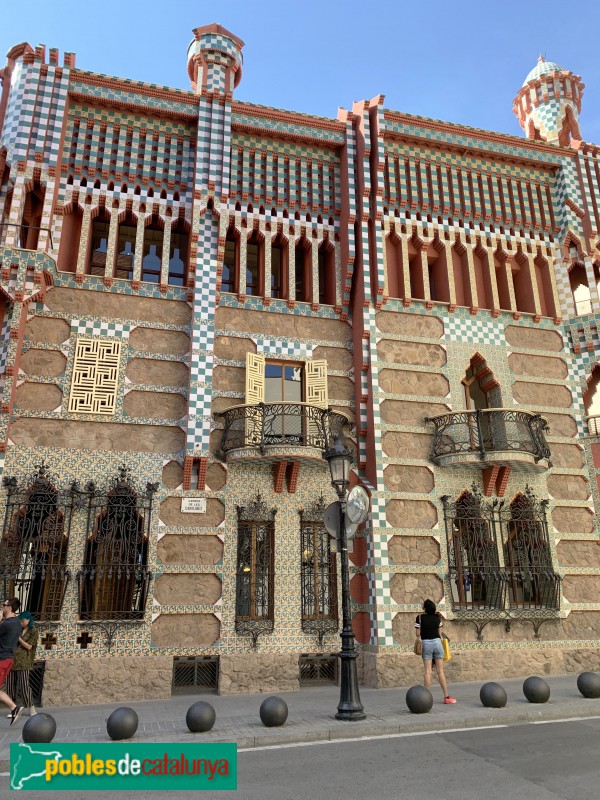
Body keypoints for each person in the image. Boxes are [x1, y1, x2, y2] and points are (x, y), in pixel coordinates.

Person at [415, 598, 456, 704]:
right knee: (440, 671)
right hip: (437, 643)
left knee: (427, 671)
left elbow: (417, 634)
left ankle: (425, 699)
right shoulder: (437, 618)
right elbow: (440, 633)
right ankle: (446, 697)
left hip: (426, 644)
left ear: (424, 608)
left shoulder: (419, 618)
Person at [5, 611, 38, 718]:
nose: (21, 622)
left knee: (24, 686)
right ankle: (14, 709)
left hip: (24, 662)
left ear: (28, 620)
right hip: (11, 660)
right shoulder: (17, 629)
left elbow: (29, 646)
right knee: (10, 686)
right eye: (20, 620)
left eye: (22, 620)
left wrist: (18, 638)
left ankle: (31, 708)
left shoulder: (33, 631)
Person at [0, 597, 26, 724]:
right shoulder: (17, 623)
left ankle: (14, 708)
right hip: (8, 659)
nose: (2, 607)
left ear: (9, 607)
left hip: (2, 659)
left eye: (3, 605)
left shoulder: (7, 624)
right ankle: (14, 708)